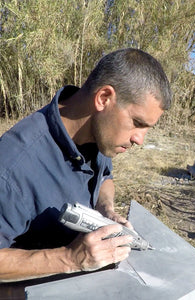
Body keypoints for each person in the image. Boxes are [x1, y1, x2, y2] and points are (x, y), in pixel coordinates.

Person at [0, 48, 172, 282]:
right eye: (137, 123)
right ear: (103, 98)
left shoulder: (98, 134)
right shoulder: (12, 167)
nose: (139, 140)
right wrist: (70, 258)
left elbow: (105, 177)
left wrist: (105, 209)